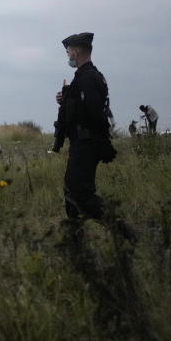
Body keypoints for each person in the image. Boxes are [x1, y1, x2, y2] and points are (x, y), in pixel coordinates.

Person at [55, 32, 117, 219]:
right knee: (71, 191)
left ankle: (122, 230)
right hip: (82, 143)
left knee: (81, 195)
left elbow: (93, 112)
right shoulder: (83, 77)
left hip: (87, 143)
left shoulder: (88, 77)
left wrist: (102, 141)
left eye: (68, 52)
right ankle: (75, 240)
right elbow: (82, 107)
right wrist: (66, 100)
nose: (67, 55)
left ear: (77, 51)